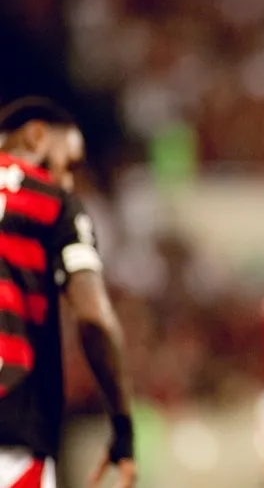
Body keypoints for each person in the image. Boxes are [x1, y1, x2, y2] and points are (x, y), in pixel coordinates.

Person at [0, 98, 136, 488]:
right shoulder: (52, 202)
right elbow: (93, 317)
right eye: (70, 163)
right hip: (11, 425)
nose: (70, 181)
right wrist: (122, 425)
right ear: (36, 135)